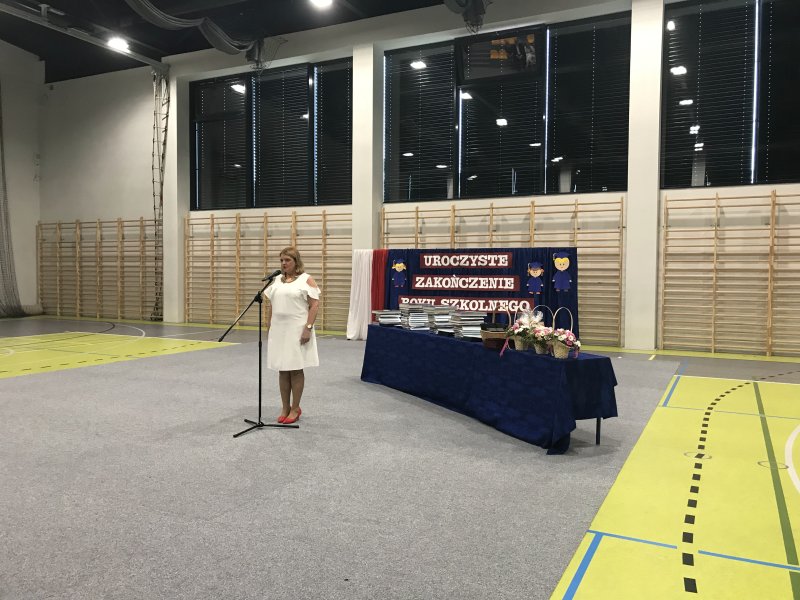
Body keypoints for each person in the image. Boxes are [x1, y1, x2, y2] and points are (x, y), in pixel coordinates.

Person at [264, 247, 321, 424]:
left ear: (296, 261)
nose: (283, 263)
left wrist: (308, 328)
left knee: (295, 369)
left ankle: (295, 408)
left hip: (297, 329)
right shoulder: (276, 280)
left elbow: (314, 305)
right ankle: (285, 407)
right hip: (278, 330)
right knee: (282, 369)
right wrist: (269, 325)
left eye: (287, 260)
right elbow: (272, 304)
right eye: (281, 260)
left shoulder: (306, 279)